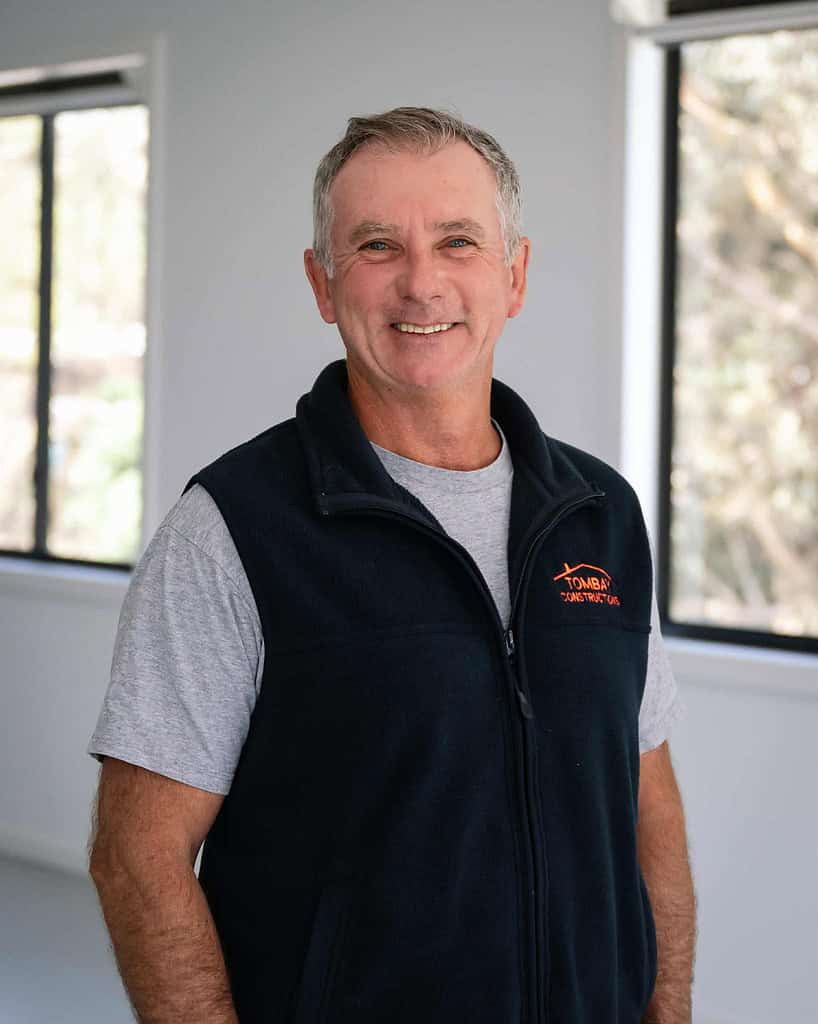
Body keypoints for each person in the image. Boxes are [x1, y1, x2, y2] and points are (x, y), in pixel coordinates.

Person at [87, 106, 696, 1023]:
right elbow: (136, 857)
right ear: (323, 284)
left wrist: (670, 1006)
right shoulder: (234, 528)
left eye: (458, 241)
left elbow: (645, 802)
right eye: (377, 246)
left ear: (514, 274)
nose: (422, 284)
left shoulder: (601, 517)